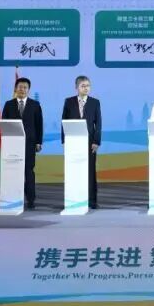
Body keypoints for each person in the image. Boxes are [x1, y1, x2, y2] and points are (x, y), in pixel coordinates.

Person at [2, 77, 44, 209]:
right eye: (20, 87)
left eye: (25, 87)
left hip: (29, 144)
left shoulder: (35, 105)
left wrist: (38, 142)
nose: (22, 89)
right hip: (12, 144)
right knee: (14, 172)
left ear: (28, 90)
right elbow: (4, 124)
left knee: (29, 171)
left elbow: (39, 124)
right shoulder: (8, 104)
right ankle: (13, 197)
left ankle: (31, 200)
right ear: (16, 88)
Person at [62, 75, 102, 208]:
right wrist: (64, 141)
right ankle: (74, 199)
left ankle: (92, 201)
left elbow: (98, 124)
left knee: (90, 171)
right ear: (76, 87)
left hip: (90, 143)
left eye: (88, 86)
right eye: (83, 86)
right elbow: (64, 121)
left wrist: (96, 141)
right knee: (74, 171)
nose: (86, 88)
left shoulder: (95, 102)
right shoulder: (69, 102)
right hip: (73, 142)